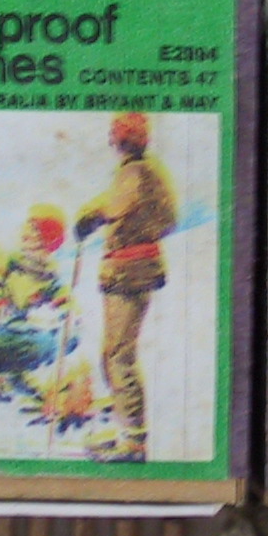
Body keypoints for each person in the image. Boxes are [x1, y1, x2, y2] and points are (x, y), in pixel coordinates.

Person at [73, 114, 178, 463]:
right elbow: (168, 218)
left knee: (119, 356)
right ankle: (126, 431)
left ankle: (133, 442)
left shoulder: (134, 172)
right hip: (135, 269)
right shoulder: (150, 172)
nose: (112, 141)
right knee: (115, 354)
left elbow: (114, 206)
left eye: (115, 135)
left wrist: (89, 216)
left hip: (128, 272)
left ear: (123, 140)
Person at [0, 206, 74, 403]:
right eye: (28, 226)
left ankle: (14, 375)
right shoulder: (5, 255)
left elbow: (63, 297)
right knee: (42, 342)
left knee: (68, 337)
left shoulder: (47, 274)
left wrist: (70, 314)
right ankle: (1, 373)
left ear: (46, 241)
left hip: (20, 332)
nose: (28, 232)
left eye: (36, 230)